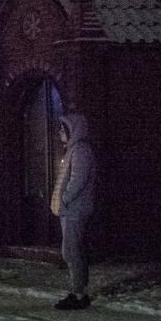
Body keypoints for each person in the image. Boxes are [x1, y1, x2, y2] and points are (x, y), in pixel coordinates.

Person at [51, 111, 98, 310]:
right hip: (71, 209)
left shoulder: (81, 150)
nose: (60, 131)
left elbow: (78, 179)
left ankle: (79, 294)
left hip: (75, 210)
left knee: (71, 251)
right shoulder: (73, 149)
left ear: (73, 130)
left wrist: (64, 199)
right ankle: (79, 291)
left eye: (64, 128)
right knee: (72, 250)